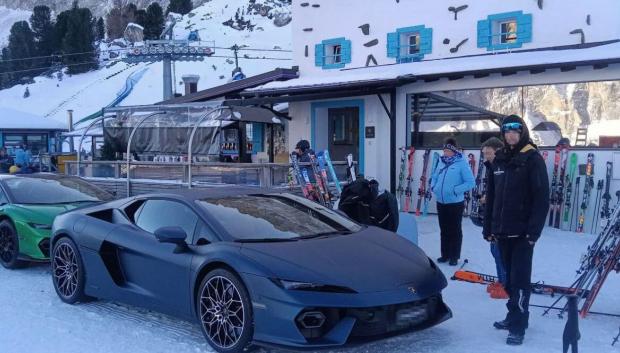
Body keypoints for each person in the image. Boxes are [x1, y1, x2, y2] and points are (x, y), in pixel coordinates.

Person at [483, 115, 549, 346]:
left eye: (515, 130)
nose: (511, 134)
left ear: (522, 132)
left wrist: (533, 233)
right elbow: (492, 197)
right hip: (501, 232)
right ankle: (512, 316)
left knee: (520, 281)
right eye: (507, 130)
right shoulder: (499, 159)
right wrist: (488, 227)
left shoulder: (532, 158)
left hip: (522, 234)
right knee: (508, 281)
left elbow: (542, 198)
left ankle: (519, 325)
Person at [430, 137, 475, 266]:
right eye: (444, 150)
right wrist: (434, 186)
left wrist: (456, 190)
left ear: (454, 151)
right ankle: (445, 255)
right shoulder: (441, 162)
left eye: (448, 151)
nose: (445, 153)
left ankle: (454, 256)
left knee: (455, 230)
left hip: (455, 203)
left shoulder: (462, 163)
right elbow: (434, 176)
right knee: (444, 230)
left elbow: (470, 182)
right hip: (441, 202)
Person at [480, 137, 508, 299]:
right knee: (494, 250)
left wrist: (490, 198)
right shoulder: (491, 167)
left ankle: (507, 285)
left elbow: (506, 192)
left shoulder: (503, 167)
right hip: (492, 216)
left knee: (500, 252)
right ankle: (501, 280)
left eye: (488, 153)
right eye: (484, 153)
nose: (486, 156)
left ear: (497, 151)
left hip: (502, 218)